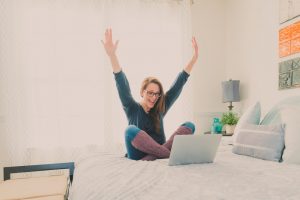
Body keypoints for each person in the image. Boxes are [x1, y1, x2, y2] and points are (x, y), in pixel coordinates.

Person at [101, 28, 198, 161]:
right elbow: (121, 82)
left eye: (157, 94)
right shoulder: (132, 107)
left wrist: (193, 59)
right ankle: (167, 154)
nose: (154, 97)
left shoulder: (160, 108)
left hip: (157, 153)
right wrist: (112, 55)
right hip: (137, 154)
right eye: (150, 93)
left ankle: (157, 154)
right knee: (130, 130)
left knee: (189, 125)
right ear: (142, 92)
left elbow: (178, 85)